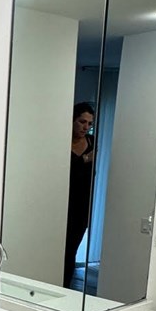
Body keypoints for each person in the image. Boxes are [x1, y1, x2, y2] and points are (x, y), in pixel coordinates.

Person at [63, 102, 95, 288]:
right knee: (58, 249)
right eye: (82, 121)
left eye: (89, 123)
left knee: (72, 250)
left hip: (82, 205)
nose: (86, 127)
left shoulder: (92, 142)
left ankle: (66, 287)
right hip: (60, 202)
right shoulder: (62, 140)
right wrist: (83, 160)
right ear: (73, 120)